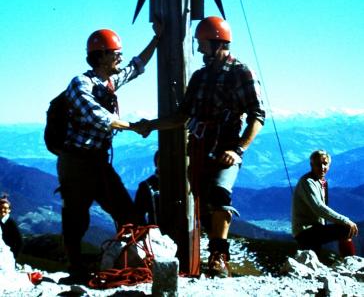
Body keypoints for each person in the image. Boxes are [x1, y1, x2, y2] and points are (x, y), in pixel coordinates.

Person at [134, 16, 265, 278]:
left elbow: (257, 116)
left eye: (203, 43)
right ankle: (209, 255)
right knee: (204, 204)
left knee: (219, 194)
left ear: (218, 42)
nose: (200, 49)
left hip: (226, 149)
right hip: (200, 148)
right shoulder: (200, 77)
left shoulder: (242, 73)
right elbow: (182, 117)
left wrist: (238, 150)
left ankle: (218, 258)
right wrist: (151, 125)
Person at [57, 24, 161, 284]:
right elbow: (97, 115)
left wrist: (158, 38)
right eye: (116, 53)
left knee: (127, 213)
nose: (121, 58)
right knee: (76, 218)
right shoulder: (80, 83)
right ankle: (76, 269)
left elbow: (136, 67)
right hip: (76, 161)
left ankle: (128, 263)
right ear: (101, 55)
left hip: (97, 161)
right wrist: (135, 127)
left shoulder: (109, 82)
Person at [292, 149, 358, 257]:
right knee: (345, 229)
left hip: (312, 230)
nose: (322, 168)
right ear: (311, 165)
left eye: (325, 164)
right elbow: (318, 207)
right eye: (318, 164)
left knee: (313, 260)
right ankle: (350, 261)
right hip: (305, 231)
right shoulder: (308, 182)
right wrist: (345, 220)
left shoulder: (319, 181)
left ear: (329, 165)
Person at [134, 150, 160, 225]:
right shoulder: (145, 186)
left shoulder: (180, 184)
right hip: (156, 233)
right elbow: (138, 214)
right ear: (156, 163)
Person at [0, 195, 23, 262]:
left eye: (5, 208)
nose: (2, 210)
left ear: (9, 210)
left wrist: (13, 257)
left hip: (7, 256)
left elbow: (19, 242)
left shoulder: (11, 223)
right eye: (0, 207)